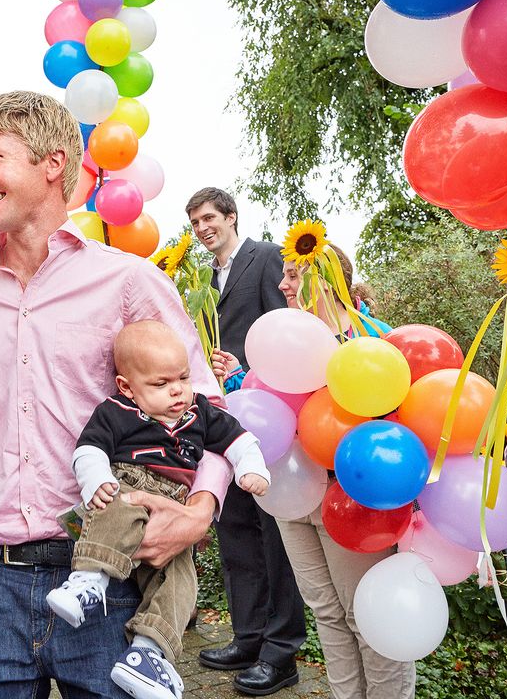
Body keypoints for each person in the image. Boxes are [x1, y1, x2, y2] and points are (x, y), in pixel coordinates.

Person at [0, 91, 232, 699]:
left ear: (51, 163)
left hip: (110, 576)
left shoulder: (129, 280)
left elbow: (207, 407)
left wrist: (199, 515)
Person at [217, 245, 415, 699]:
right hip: (290, 496)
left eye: (291, 276)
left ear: (325, 282)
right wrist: (238, 378)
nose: (282, 285)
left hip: (350, 500)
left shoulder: (372, 341)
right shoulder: (285, 339)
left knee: (369, 617)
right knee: (326, 611)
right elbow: (274, 407)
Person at [46, 320, 269, 699]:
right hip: (127, 483)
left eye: (182, 378)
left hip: (173, 505)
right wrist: (96, 478)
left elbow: (239, 439)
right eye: (161, 384)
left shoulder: (199, 412)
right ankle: (88, 581)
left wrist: (252, 468)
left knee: (181, 578)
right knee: (115, 509)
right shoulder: (116, 412)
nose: (177, 390)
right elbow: (89, 449)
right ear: (127, 387)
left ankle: (148, 654)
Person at [185, 188, 304, 694]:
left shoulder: (267, 257)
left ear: (232, 217)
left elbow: (290, 335)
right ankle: (248, 637)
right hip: (221, 422)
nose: (201, 228)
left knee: (275, 538)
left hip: (268, 417)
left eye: (209, 217)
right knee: (236, 531)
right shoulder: (201, 281)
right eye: (194, 222)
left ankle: (282, 654)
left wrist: (247, 370)